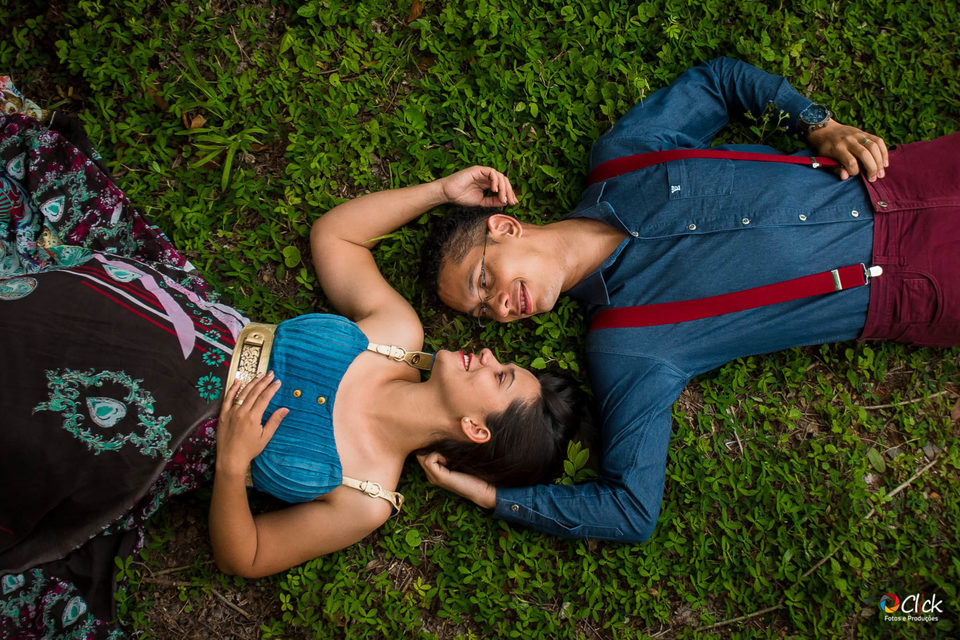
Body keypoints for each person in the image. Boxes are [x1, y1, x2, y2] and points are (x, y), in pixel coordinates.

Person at [0, 85, 582, 637]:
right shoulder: (396, 336)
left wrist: (232, 468)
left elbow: (246, 556)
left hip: (138, 432)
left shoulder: (365, 497)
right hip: (159, 321)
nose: (486, 352)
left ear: (475, 430)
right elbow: (337, 237)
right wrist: (438, 192)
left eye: (500, 374)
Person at [413, 57, 960, 542]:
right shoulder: (627, 346)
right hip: (921, 281)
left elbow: (719, 81)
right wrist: (489, 495)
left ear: (506, 226)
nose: (499, 308)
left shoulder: (622, 159)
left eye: (484, 282)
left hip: (908, 175)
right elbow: (629, 509)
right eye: (483, 312)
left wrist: (819, 124)